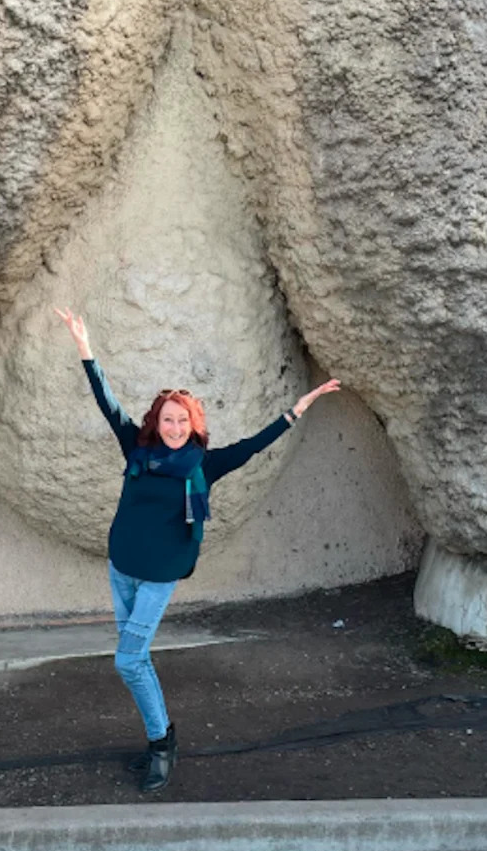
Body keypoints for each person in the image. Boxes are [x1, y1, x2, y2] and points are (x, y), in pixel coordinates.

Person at [55, 307, 341, 792]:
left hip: (159, 573)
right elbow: (108, 403)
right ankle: (161, 738)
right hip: (121, 564)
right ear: (156, 421)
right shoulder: (137, 451)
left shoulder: (202, 466)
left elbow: (253, 445)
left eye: (181, 421)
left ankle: (161, 743)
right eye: (167, 419)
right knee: (136, 659)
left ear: (193, 424)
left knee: (127, 660)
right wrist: (86, 349)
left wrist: (299, 408)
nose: (173, 427)